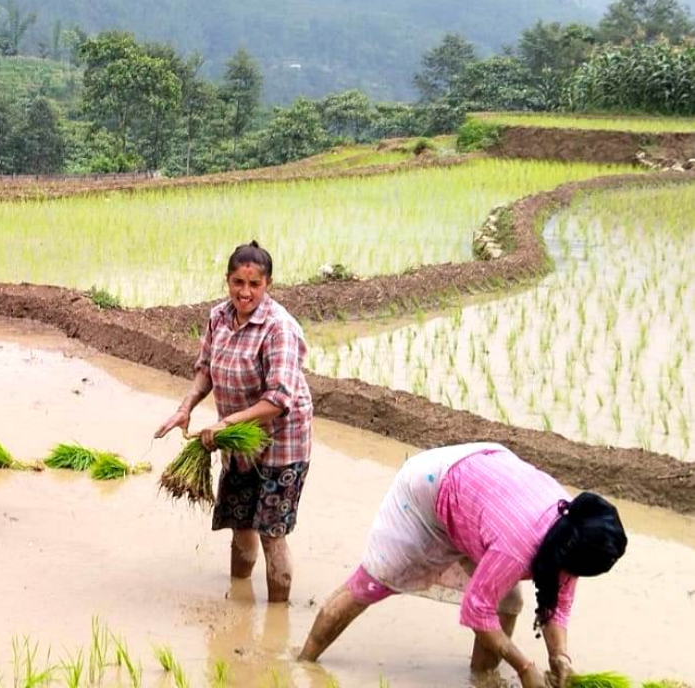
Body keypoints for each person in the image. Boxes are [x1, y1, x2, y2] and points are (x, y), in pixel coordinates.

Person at [299, 445, 627, 688]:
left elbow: (560, 601)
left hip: (479, 495)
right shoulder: (519, 545)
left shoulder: (570, 530)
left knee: (509, 601)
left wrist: (560, 658)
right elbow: (476, 609)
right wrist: (525, 666)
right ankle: (303, 663)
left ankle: (481, 678)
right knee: (369, 584)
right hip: (426, 490)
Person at [154, 240, 313, 603]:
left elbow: (279, 398)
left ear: (267, 284)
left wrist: (226, 424)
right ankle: (238, 599)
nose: (245, 292)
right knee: (241, 523)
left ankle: (277, 616)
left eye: (254, 284)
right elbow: (205, 369)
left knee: (271, 531)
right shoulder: (218, 318)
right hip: (238, 439)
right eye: (238, 283)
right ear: (227, 281)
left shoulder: (279, 328)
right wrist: (186, 406)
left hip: (280, 441)